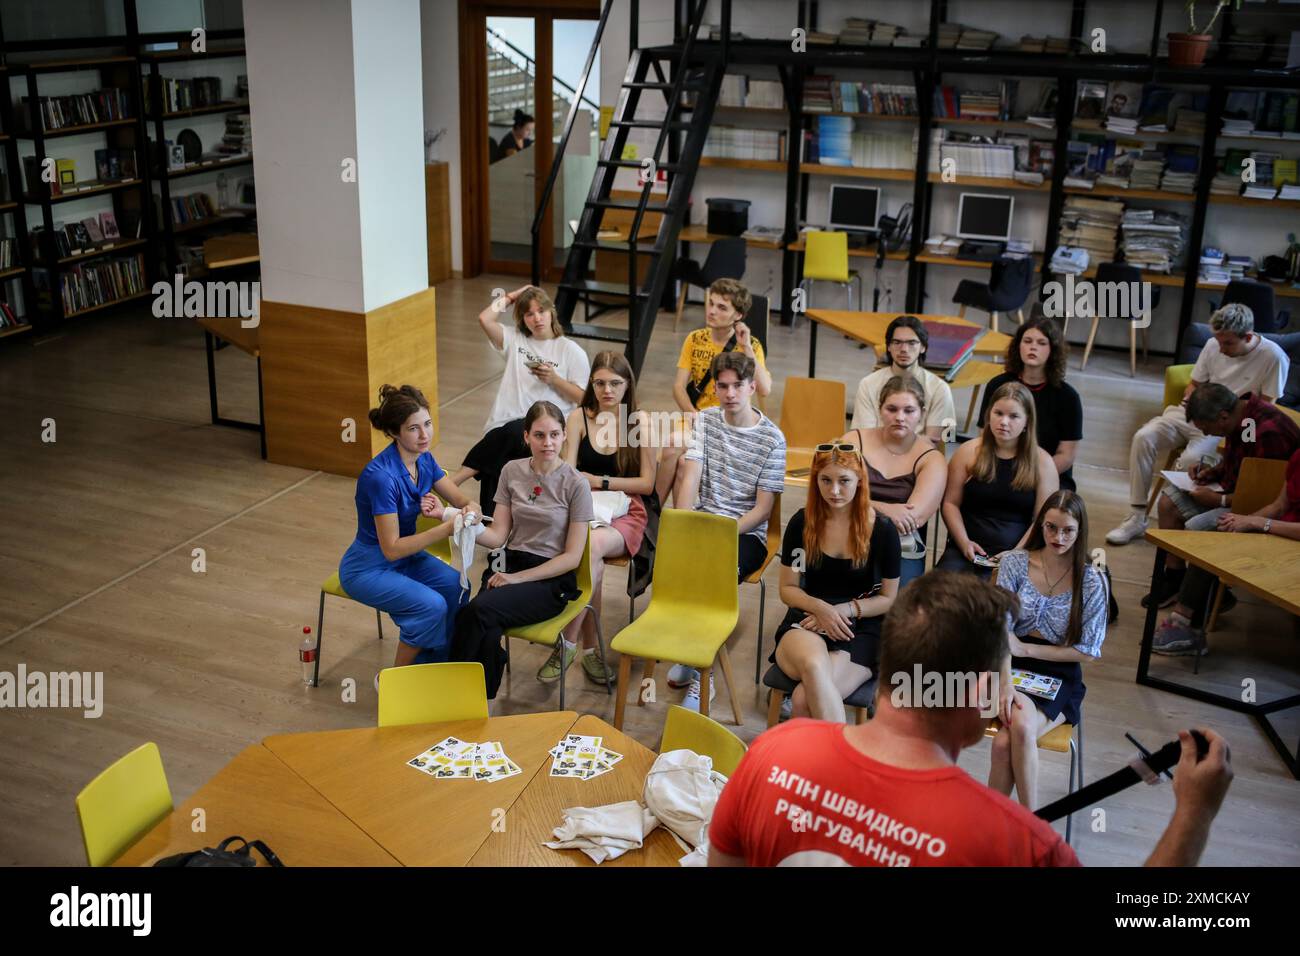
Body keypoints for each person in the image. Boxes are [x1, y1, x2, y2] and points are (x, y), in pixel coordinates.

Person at [708, 572, 1234, 867]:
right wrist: (1195, 814)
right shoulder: (1017, 845)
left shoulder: (771, 753)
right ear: (983, 692)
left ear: (888, 664)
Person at [1106, 303, 1289, 545]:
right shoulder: (1214, 344)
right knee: (1144, 437)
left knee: (1191, 462)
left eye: (1228, 344)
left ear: (1247, 336)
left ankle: (1173, 518)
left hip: (1224, 426)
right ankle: (1137, 516)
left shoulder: (1273, 356)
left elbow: (1265, 407)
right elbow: (1194, 384)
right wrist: (1189, 402)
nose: (1220, 349)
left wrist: (1233, 438)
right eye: (1218, 341)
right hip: (1194, 412)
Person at [448, 401, 593, 699]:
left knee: (477, 611)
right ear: (526, 437)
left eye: (554, 434)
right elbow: (498, 534)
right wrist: (464, 523)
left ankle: (457, 693)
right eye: (539, 435)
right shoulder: (511, 471)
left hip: (550, 578)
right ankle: (476, 697)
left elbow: (572, 558)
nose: (547, 443)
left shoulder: (576, 484)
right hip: (508, 564)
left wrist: (517, 579)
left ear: (565, 435)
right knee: (483, 620)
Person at [670, 351, 787, 710]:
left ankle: (704, 675)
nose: (730, 393)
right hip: (703, 523)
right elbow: (690, 475)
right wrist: (685, 523)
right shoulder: (705, 420)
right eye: (723, 386)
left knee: (711, 579)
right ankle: (692, 650)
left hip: (744, 534)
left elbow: (763, 509)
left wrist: (722, 533)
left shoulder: (773, 439)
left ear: (753, 386)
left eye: (738, 385)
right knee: (681, 569)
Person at [338, 385, 481, 677]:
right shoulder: (381, 477)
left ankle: (435, 666)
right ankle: (396, 682)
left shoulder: (424, 459)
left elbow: (461, 499)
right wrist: (446, 529)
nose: (424, 435)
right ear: (394, 432)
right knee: (431, 606)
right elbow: (391, 548)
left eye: (427, 424)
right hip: (369, 567)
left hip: (406, 559)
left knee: (456, 588)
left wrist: (470, 508)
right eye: (413, 429)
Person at [990, 492, 1108, 809]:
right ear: (1040, 525)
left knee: (1020, 728)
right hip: (1006, 662)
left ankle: (1028, 821)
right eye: (1051, 527)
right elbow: (998, 627)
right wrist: (1003, 684)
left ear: (1081, 530)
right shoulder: (1015, 563)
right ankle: (1001, 825)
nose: (1058, 537)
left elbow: (1087, 651)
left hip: (1058, 670)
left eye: (1068, 530)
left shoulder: (1093, 580)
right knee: (1004, 743)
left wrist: (1027, 649)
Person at [770, 442, 900, 722]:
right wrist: (821, 609)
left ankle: (814, 764)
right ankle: (843, 762)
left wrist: (842, 610)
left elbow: (889, 599)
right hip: (807, 618)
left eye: (844, 481)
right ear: (815, 481)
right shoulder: (802, 523)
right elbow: (788, 589)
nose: (835, 491)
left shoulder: (883, 530)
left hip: (860, 627)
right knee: (815, 666)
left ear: (860, 481)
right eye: (825, 481)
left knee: (804, 700)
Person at [1142, 383, 1300, 613]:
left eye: (1206, 428)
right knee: (1167, 503)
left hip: (1258, 507)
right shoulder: (1244, 419)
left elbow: (1264, 494)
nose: (1206, 435)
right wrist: (1212, 472)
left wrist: (1221, 502)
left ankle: (1207, 595)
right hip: (1234, 491)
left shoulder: (1268, 432)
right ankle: (1175, 579)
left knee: (1200, 527)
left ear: (1223, 417)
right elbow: (1243, 461)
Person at [552, 352, 657, 686]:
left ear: (628, 385)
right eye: (599, 383)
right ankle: (588, 651)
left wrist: (599, 481)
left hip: (627, 509)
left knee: (591, 546)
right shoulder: (577, 418)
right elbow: (568, 474)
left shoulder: (640, 421)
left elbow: (647, 484)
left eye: (615, 383)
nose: (607, 390)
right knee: (589, 554)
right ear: (591, 384)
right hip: (585, 505)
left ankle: (568, 642)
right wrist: (583, 487)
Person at [451, 285, 590, 515]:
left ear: (552, 312)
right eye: (529, 313)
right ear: (522, 319)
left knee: (511, 434)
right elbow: (484, 319)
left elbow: (585, 399)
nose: (537, 318)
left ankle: (456, 481)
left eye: (541, 311)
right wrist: (511, 297)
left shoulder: (570, 350)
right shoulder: (515, 340)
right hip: (503, 426)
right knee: (500, 450)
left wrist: (554, 379)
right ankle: (492, 525)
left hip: (541, 432)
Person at [1155, 447, 1300, 656]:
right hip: (1280, 531)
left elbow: (1272, 519)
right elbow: (1279, 506)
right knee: (1214, 536)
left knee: (1214, 537)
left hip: (1291, 542)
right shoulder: (1297, 456)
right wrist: (1243, 521)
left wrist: (1260, 523)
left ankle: (1184, 620)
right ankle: (1184, 622)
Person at [661, 278, 771, 504]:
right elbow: (678, 387)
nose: (711, 311)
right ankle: (654, 511)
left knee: (685, 463)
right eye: (711, 303)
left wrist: (747, 347)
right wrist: (691, 412)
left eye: (721, 307)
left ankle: (674, 522)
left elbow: (765, 389)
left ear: (738, 315)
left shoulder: (751, 346)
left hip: (729, 423)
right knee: (672, 447)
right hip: (697, 417)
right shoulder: (695, 339)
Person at [938, 381, 1059, 577]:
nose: (1004, 422)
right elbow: (950, 503)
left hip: (1020, 551)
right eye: (998, 413)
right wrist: (963, 543)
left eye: (1013, 416)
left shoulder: (1043, 463)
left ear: (1027, 421)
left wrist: (1015, 554)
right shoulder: (968, 452)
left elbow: (1043, 520)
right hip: (967, 547)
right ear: (988, 415)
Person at [839, 375, 947, 586]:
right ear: (880, 410)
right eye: (892, 409)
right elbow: (834, 498)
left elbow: (911, 519)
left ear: (921, 414)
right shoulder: (853, 440)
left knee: (897, 607)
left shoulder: (932, 459)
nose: (900, 417)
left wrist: (859, 503)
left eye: (909, 411)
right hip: (848, 531)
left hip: (900, 545)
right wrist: (888, 509)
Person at [978, 315, 1083, 492]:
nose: (1033, 347)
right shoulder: (997, 385)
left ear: (1053, 350)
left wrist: (1032, 474)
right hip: (1000, 469)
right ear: (1018, 345)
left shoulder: (1068, 397)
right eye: (1027, 341)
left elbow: (1066, 455)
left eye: (1042, 343)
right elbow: (984, 436)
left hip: (1046, 473)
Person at [850, 315, 956, 442]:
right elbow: (863, 436)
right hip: (875, 453)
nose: (904, 349)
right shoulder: (868, 384)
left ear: (923, 347)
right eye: (897, 342)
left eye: (912, 343)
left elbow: (936, 441)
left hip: (919, 456)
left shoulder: (940, 388)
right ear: (888, 347)